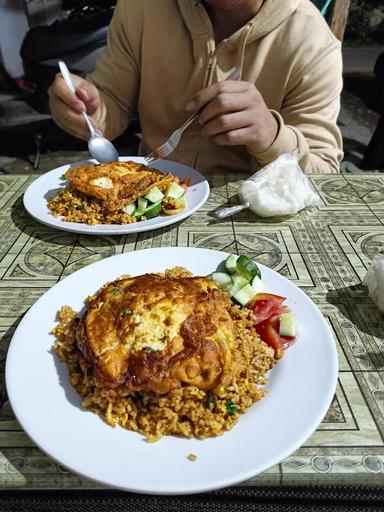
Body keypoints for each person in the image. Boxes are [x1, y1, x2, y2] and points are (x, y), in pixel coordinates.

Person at [48, 0, 343, 174]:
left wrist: (271, 135)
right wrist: (87, 112)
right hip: (148, 190)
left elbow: (323, 172)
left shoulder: (311, 42)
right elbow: (109, 108)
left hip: (249, 211)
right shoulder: (141, 8)